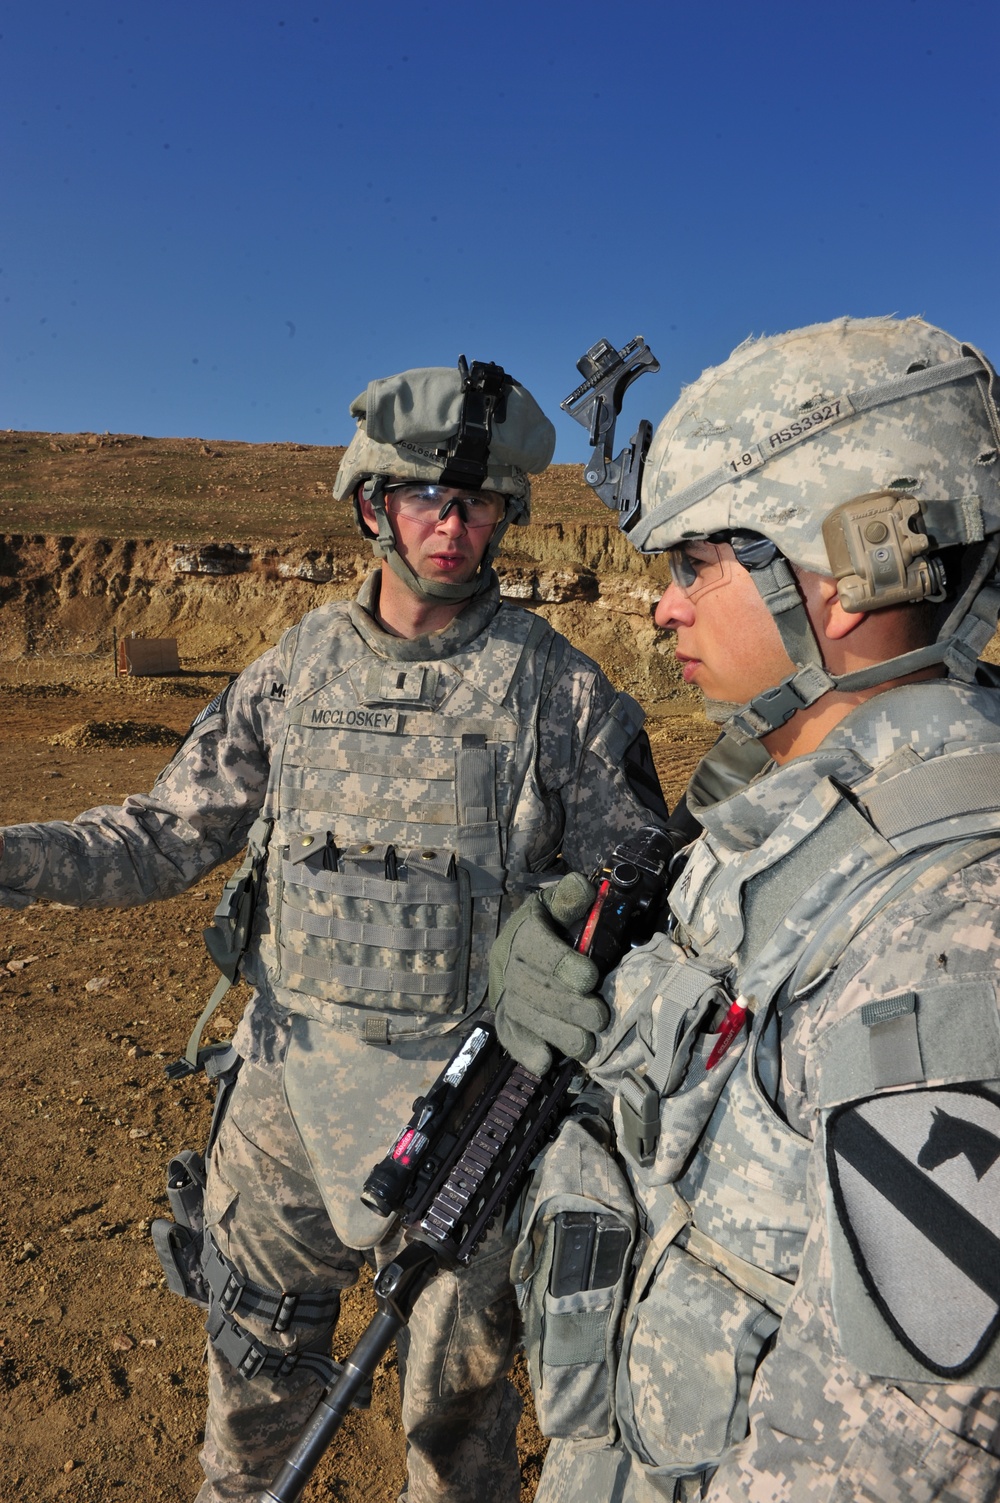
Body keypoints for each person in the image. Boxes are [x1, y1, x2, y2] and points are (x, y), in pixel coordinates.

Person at [0, 357, 670, 1503]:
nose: (454, 526)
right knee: (253, 1385)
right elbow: (162, 833)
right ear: (374, 507)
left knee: (454, 1433)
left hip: (472, 1117)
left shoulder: (559, 693)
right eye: (428, 499)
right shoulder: (296, 672)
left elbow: (638, 902)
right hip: (284, 1102)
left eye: (479, 504)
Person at [492, 316, 1000, 1501]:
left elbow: (886, 1458)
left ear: (848, 567)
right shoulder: (779, 820)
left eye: (694, 565)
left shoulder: (949, 923)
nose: (660, 607)